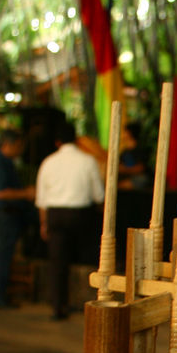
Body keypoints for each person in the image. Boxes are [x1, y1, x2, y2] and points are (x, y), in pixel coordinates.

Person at [35, 121, 105, 320]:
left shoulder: (48, 163)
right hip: (82, 215)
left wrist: (44, 223)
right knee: (90, 258)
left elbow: (42, 199)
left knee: (58, 262)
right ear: (76, 139)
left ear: (57, 142)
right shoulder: (88, 161)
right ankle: (94, 304)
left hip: (55, 216)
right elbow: (99, 196)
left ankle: (59, 307)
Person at [0, 130, 35, 310]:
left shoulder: (8, 163)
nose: (21, 150)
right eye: (20, 145)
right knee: (3, 255)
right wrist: (26, 193)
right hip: (4, 214)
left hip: (11, 213)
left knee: (6, 254)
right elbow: (1, 193)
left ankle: (0, 295)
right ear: (10, 144)